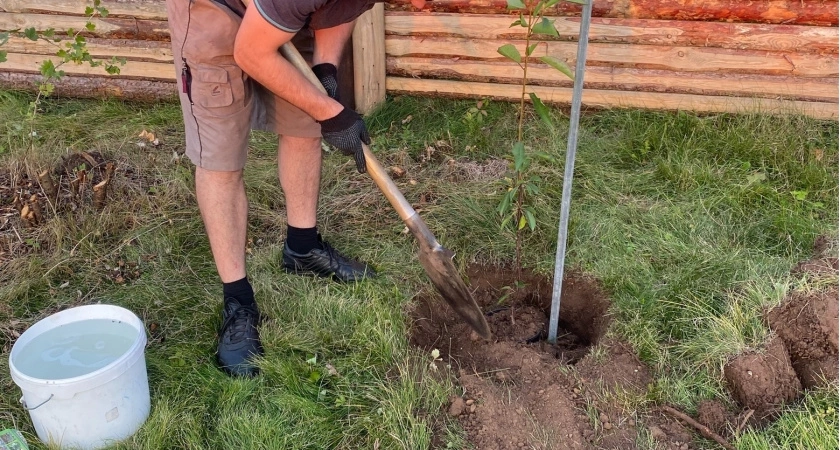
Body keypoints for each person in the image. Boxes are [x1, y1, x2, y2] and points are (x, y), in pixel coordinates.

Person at [164, 0, 425, 377]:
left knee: (306, 119)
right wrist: (333, 114)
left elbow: (343, 7)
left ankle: (302, 249)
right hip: (215, 12)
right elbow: (250, 51)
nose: (422, 6)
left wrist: (325, 73)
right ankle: (238, 301)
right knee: (221, 157)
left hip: (285, 14)